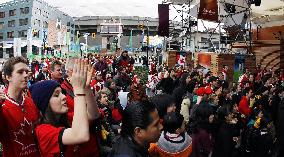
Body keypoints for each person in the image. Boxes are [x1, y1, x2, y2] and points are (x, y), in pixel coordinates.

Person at [30, 59, 100, 156]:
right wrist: (79, 90)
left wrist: (86, 88)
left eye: (62, 93)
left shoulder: (65, 118)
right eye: (56, 95)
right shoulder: (43, 131)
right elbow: (80, 135)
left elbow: (94, 115)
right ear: (44, 104)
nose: (63, 97)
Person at [0, 56, 40, 157]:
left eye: (27, 71)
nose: (26, 75)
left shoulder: (30, 101)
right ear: (8, 77)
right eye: (20, 72)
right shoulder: (3, 105)